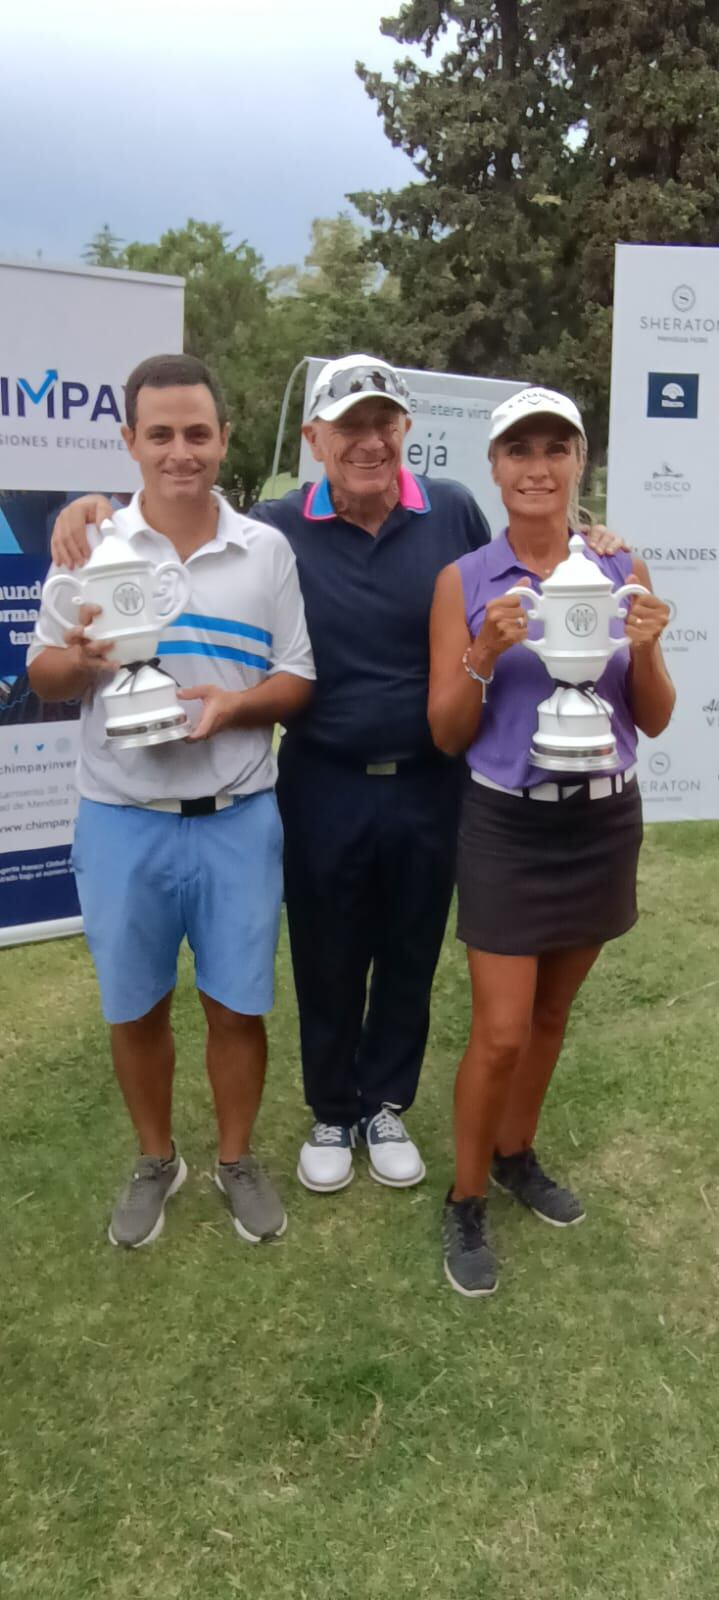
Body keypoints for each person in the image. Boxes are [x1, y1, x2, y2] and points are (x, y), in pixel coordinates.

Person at [48, 356, 621, 1202]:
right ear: (313, 439)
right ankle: (330, 1109)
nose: (368, 441)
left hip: (431, 777)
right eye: (348, 426)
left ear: (406, 433)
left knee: (408, 947)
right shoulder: (280, 527)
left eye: (383, 423)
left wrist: (592, 536)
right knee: (325, 949)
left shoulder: (452, 509)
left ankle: (385, 1103)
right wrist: (88, 507)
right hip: (322, 775)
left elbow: (525, 556)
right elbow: (179, 505)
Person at [28, 354, 315, 1249]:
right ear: (129, 442)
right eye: (161, 434)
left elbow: (297, 677)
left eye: (197, 433)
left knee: (237, 1005)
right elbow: (42, 673)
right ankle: (158, 1159)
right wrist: (84, 661)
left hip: (236, 814)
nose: (180, 451)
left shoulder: (265, 549)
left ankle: (234, 1159)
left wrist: (238, 706)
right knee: (134, 1005)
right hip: (120, 819)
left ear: (224, 439)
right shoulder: (90, 546)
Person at [428, 386, 674, 1298]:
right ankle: (463, 1198)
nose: (537, 467)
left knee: (550, 1016)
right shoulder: (465, 580)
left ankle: (514, 1152)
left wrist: (646, 645)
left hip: (603, 816)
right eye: (518, 450)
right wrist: (482, 653)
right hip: (507, 821)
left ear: (578, 463)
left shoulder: (619, 566)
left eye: (555, 449)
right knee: (496, 1031)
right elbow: (446, 732)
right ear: (492, 467)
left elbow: (647, 715)